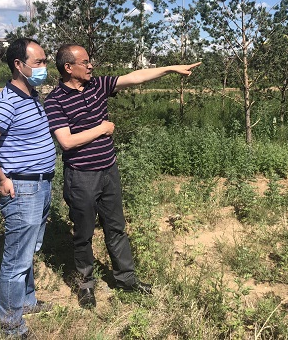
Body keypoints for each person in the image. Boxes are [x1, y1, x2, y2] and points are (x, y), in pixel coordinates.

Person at [44, 43, 200, 308]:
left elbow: (136, 77)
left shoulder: (97, 85)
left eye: (90, 61)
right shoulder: (55, 101)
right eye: (85, 62)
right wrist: (102, 128)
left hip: (109, 170)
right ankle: (86, 285)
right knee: (83, 233)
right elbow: (67, 142)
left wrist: (171, 68)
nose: (91, 66)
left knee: (116, 227)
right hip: (81, 177)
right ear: (68, 67)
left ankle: (126, 279)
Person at [0, 38, 57, 339]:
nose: (44, 68)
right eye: (38, 63)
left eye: (45, 61)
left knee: (28, 250)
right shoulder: (7, 102)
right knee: (16, 261)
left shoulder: (31, 96)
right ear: (19, 65)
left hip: (41, 184)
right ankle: (11, 326)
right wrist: (1, 178)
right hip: (22, 189)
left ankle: (26, 301)